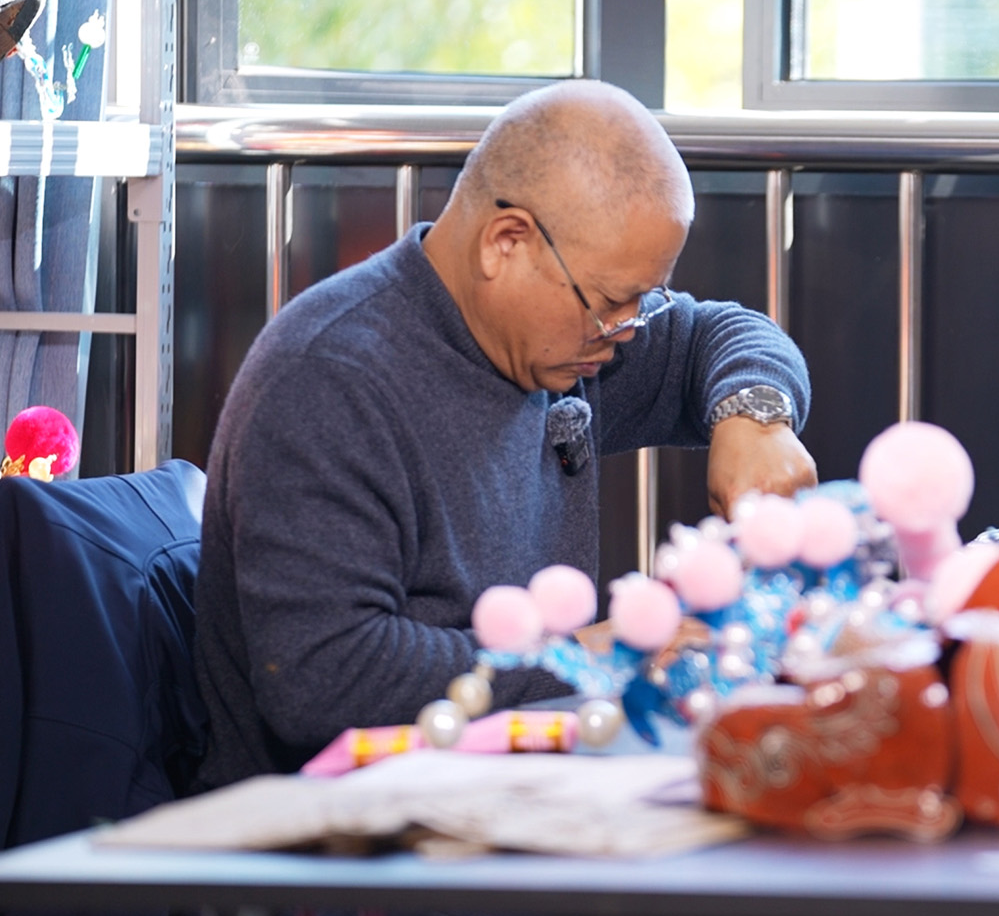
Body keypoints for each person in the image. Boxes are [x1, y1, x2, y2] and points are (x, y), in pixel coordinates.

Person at [193, 81, 817, 793]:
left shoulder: (566, 337)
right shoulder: (329, 382)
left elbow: (717, 333)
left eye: (644, 302)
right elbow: (324, 678)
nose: (626, 331)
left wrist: (755, 413)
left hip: (519, 789)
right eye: (612, 302)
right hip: (355, 852)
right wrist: (588, 657)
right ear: (507, 242)